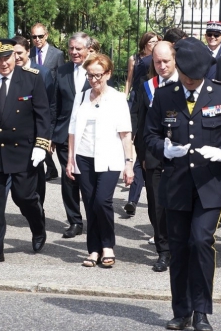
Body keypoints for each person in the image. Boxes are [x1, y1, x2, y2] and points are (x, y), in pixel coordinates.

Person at [144, 37, 221, 331]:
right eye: (188, 79)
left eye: (196, 79)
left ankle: (202, 311)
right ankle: (181, 311)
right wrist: (164, 149)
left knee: (201, 242)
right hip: (176, 184)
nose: (192, 84)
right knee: (178, 248)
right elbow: (149, 135)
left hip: (209, 185)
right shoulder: (165, 96)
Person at [0, 38, 51, 265]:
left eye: (7, 57)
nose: (3, 63)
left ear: (15, 56)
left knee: (24, 197)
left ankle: (38, 225)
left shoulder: (32, 79)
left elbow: (43, 115)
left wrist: (41, 145)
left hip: (23, 151)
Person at [65, 53, 134, 267]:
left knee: (102, 201)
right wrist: (70, 159)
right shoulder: (81, 97)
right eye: (89, 76)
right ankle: (93, 249)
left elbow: (125, 133)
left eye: (97, 76)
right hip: (84, 157)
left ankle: (108, 246)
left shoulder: (117, 98)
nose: (93, 80)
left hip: (109, 158)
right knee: (89, 203)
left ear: (108, 74)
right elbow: (72, 131)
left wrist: (129, 163)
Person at [130, 41, 178, 272]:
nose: (161, 66)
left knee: (179, 205)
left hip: (181, 154)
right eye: (157, 62)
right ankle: (163, 251)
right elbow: (140, 123)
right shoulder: (148, 86)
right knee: (156, 205)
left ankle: (179, 247)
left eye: (166, 61)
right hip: (154, 154)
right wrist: (141, 155)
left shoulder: (187, 84)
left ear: (175, 59)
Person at [53, 32, 91, 238]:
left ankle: (92, 218)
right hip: (65, 133)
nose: (74, 52)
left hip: (90, 135)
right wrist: (50, 135)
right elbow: (55, 104)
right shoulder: (62, 71)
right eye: (71, 49)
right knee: (68, 179)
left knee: (87, 179)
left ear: (88, 49)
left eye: (79, 49)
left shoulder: (97, 69)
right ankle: (74, 221)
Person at [122, 32, 161, 216]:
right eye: (151, 41)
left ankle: (133, 200)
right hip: (140, 105)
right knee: (140, 163)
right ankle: (132, 200)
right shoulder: (138, 64)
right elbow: (130, 78)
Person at [13, 35, 55, 205]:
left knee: (36, 173)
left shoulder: (42, 73)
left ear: (28, 52)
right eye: (12, 53)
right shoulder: (9, 70)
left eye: (19, 53)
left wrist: (47, 136)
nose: (16, 57)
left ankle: (39, 208)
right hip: (14, 133)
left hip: (36, 132)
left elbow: (50, 106)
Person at [28, 23, 63, 182]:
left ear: (46, 35)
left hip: (51, 97)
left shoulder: (57, 54)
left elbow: (61, 77)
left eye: (40, 36)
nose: (37, 40)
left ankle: (51, 167)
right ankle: (49, 167)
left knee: (47, 133)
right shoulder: (30, 54)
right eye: (34, 37)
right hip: (33, 98)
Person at [125, 31, 160, 103]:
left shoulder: (158, 58)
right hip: (136, 93)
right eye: (152, 42)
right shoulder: (134, 58)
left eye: (157, 41)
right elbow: (129, 80)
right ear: (145, 44)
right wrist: (125, 97)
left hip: (151, 92)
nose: (155, 44)